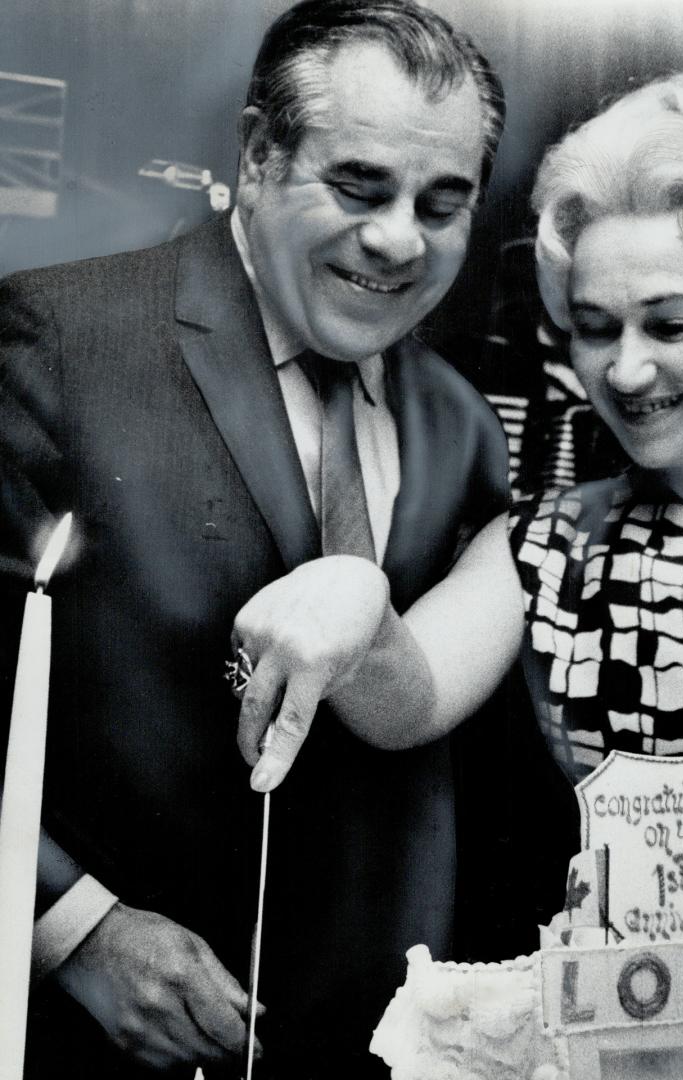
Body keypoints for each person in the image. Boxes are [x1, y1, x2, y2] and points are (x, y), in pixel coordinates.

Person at [0, 2, 516, 1077]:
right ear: (260, 152)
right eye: (359, 187)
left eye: (443, 202)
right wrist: (73, 930)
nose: (397, 240)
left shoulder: (462, 419)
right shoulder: (57, 340)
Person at [257, 72, 683, 927]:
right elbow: (407, 702)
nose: (623, 372)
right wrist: (360, 603)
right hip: (622, 1040)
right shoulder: (548, 543)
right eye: (593, 328)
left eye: (669, 325)